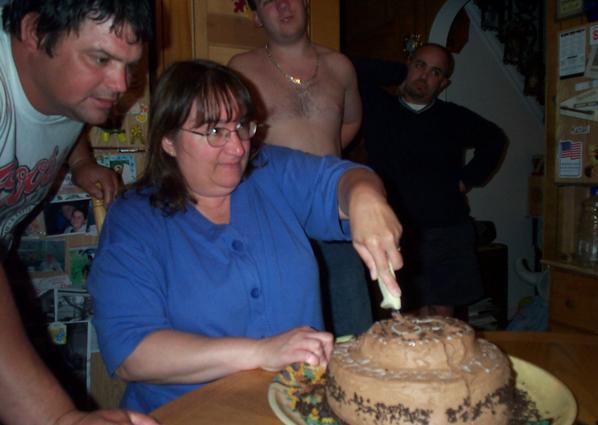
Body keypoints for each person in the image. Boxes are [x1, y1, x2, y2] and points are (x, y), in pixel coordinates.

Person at [87, 60, 402, 413]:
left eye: (241, 126)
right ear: (169, 140)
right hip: (188, 413)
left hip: (298, 404)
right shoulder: (134, 220)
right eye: (214, 131)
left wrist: (364, 198)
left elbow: (343, 179)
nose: (238, 148)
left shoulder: (269, 171)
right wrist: (260, 352)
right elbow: (131, 352)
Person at [0, 1, 158, 424]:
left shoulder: (69, 89)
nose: (121, 84)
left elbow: (63, 114)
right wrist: (60, 419)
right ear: (34, 31)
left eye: (129, 65)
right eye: (101, 59)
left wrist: (81, 162)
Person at [228, 0, 371, 337]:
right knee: (293, 335)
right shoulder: (241, 69)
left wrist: (321, 165)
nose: (282, 5)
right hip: (277, 219)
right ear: (256, 17)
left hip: (334, 213)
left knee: (353, 330)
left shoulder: (340, 66)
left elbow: (351, 121)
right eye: (268, 1)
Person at [354, 43, 508, 318]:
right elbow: (351, 68)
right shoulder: (378, 107)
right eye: (420, 65)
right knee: (406, 315)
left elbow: (495, 139)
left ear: (443, 83)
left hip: (447, 230)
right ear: (408, 64)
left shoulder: (453, 117)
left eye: (435, 72)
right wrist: (399, 71)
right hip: (397, 231)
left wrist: (468, 179)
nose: (424, 76)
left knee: (441, 319)